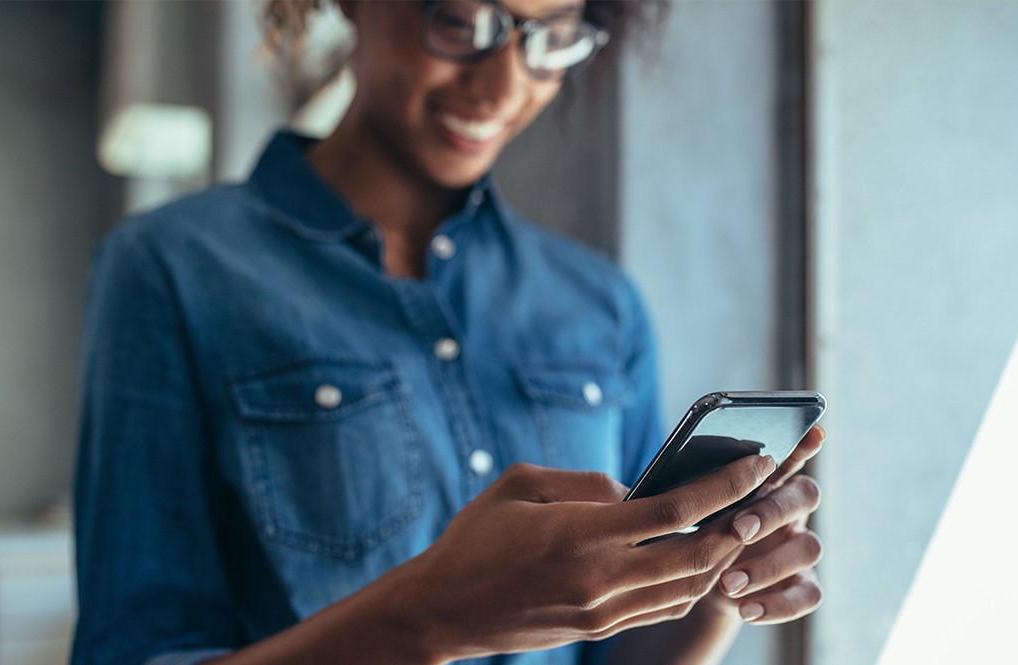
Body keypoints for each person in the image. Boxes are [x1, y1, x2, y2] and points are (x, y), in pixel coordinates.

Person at [70, 1, 825, 664]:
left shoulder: (598, 301)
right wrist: (428, 619)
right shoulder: (172, 269)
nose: (501, 87)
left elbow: (614, 648)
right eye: (460, 22)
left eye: (549, 39)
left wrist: (717, 582)